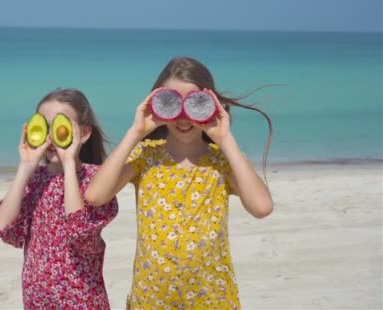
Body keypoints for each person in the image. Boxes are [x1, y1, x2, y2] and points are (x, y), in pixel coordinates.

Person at [85, 57, 274, 309]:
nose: (184, 118)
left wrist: (226, 139)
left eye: (196, 103)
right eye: (170, 102)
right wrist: (135, 132)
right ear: (156, 104)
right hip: (151, 300)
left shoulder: (221, 162)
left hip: (211, 300)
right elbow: (96, 196)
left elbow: (261, 207)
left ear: (211, 105)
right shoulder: (145, 156)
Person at [0, 88, 118, 309]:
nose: (51, 137)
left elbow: (81, 231)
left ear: (85, 133)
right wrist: (26, 166)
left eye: (61, 127)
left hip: (82, 302)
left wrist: (69, 164)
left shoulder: (96, 179)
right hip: (37, 301)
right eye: (43, 126)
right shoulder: (35, 180)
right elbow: (5, 229)